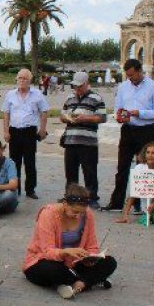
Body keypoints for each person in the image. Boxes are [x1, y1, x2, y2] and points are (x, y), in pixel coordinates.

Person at [23, 185, 117, 299]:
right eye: (74, 211)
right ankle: (90, 280)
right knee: (53, 270)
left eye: (81, 213)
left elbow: (92, 245)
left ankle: (77, 283)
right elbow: (47, 251)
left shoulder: (87, 214)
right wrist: (65, 252)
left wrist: (90, 257)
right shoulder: (48, 214)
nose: (78, 216)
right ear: (65, 203)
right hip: (46, 260)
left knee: (110, 262)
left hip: (74, 262)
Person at [104, 59, 154, 212]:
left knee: (145, 166)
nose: (130, 78)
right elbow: (118, 107)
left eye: (132, 75)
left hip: (146, 130)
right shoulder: (123, 87)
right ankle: (117, 202)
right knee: (122, 166)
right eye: (128, 75)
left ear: (139, 71)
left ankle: (140, 203)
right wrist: (118, 115)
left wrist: (141, 113)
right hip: (128, 129)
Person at [60, 72, 107, 209]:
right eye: (75, 86)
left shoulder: (96, 98)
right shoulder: (69, 97)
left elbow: (102, 117)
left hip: (88, 142)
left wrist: (84, 118)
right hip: (70, 141)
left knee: (90, 171)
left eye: (79, 86)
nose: (77, 89)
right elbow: (62, 116)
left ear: (86, 84)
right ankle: (70, 197)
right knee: (70, 171)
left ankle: (91, 198)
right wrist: (67, 118)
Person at [2, 69, 49, 199]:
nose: (22, 81)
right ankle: (15, 189)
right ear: (16, 79)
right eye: (20, 78)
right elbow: (6, 113)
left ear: (30, 81)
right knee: (14, 162)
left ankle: (30, 189)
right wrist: (6, 131)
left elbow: (44, 111)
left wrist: (43, 129)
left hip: (29, 131)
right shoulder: (10, 94)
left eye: (25, 79)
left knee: (30, 162)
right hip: (14, 131)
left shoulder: (37, 94)